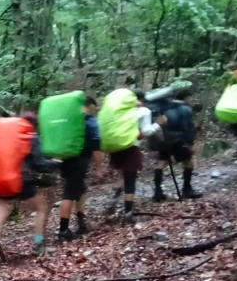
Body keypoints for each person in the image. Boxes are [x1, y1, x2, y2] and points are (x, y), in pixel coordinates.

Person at [0, 112, 59, 264]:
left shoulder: (5, 136)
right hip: (21, 179)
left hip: (0, 179)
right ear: (32, 123)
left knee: (0, 212)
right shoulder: (30, 135)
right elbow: (38, 164)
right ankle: (38, 245)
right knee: (41, 207)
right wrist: (55, 163)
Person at [106, 90, 166, 224]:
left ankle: (114, 201)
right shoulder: (143, 111)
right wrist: (158, 124)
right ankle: (128, 215)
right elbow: (146, 131)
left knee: (123, 174)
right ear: (141, 99)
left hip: (115, 147)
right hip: (131, 147)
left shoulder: (119, 110)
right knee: (130, 179)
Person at [57, 97, 103, 242]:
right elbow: (96, 146)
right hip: (79, 161)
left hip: (66, 159)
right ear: (89, 106)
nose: (94, 111)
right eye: (94, 108)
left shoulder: (69, 121)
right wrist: (99, 167)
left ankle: (81, 220)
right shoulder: (89, 121)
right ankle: (63, 231)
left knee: (79, 188)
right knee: (69, 193)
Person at [151, 87, 202, 201]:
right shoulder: (184, 108)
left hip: (163, 139)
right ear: (186, 97)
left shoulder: (164, 106)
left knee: (162, 162)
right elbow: (187, 127)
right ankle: (187, 189)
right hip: (178, 140)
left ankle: (157, 192)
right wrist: (190, 143)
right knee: (188, 162)